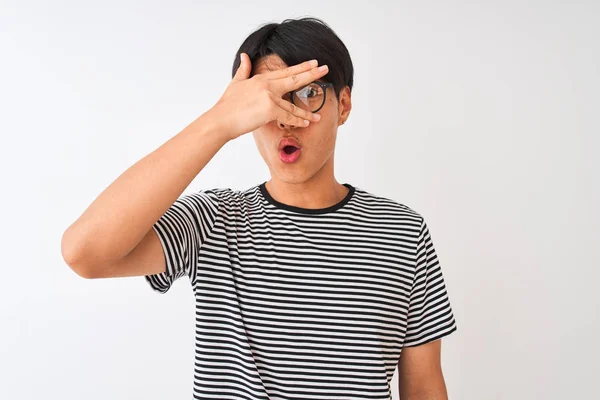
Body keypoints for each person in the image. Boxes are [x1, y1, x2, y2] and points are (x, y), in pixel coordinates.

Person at [61, 16, 458, 400]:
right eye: (268, 101)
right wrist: (218, 122)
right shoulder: (214, 220)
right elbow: (85, 253)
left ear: (344, 104)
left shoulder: (403, 231)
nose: (287, 119)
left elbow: (423, 389)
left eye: (308, 94)